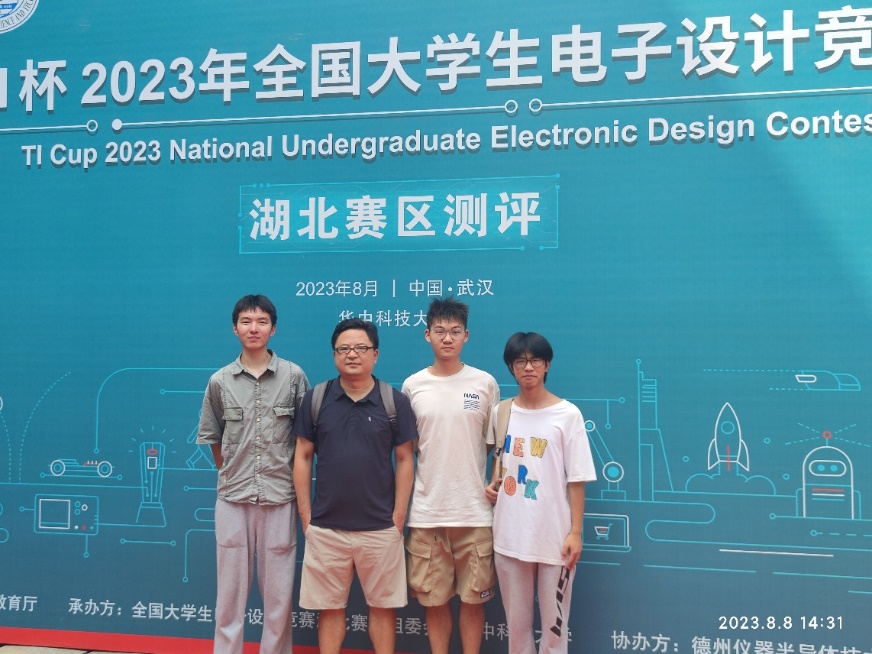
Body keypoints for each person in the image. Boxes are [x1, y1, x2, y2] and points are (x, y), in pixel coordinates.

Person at [293, 318, 417, 654]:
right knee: (329, 608)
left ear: (375, 354)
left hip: (380, 527)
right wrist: (307, 517)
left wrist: (398, 517)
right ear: (334, 354)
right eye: (343, 348)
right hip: (326, 528)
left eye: (361, 348)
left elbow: (405, 459)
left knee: (383, 607)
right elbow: (302, 456)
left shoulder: (394, 401)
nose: (352, 354)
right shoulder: (316, 399)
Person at [197, 294, 310, 654]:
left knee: (279, 597)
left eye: (262, 321)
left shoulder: (294, 377)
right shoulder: (220, 381)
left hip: (280, 498)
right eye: (246, 321)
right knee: (229, 596)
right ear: (235, 328)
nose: (254, 328)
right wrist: (235, 471)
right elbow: (213, 438)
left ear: (273, 328)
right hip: (233, 499)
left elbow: (305, 439)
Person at [485, 332, 597, 654]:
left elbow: (577, 479)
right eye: (520, 361)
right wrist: (493, 485)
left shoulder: (567, 414)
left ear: (547, 365)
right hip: (509, 536)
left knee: (554, 631)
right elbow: (500, 464)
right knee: (517, 630)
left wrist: (576, 532)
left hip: (554, 539)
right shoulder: (501, 412)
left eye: (535, 360)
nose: (528, 367)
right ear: (511, 367)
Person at [402, 297, 499, 654]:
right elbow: (410, 450)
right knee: (434, 601)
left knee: (474, 601)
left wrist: (491, 481)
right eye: (440, 331)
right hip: (427, 513)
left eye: (455, 331)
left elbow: (493, 444)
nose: (447, 338)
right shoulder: (412, 386)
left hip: (474, 512)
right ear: (427, 334)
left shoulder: (485, 383)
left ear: (466, 336)